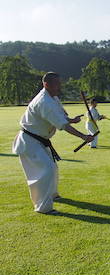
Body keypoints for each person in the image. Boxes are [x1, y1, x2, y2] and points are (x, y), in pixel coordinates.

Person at [12, 72, 94, 214]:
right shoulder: (44, 102)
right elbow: (63, 125)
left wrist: (71, 120)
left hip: (39, 140)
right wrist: (83, 136)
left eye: (59, 83)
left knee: (53, 168)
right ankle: (43, 207)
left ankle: (52, 194)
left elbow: (60, 116)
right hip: (30, 141)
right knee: (46, 171)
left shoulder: (53, 97)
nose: (59, 86)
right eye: (56, 83)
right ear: (46, 84)